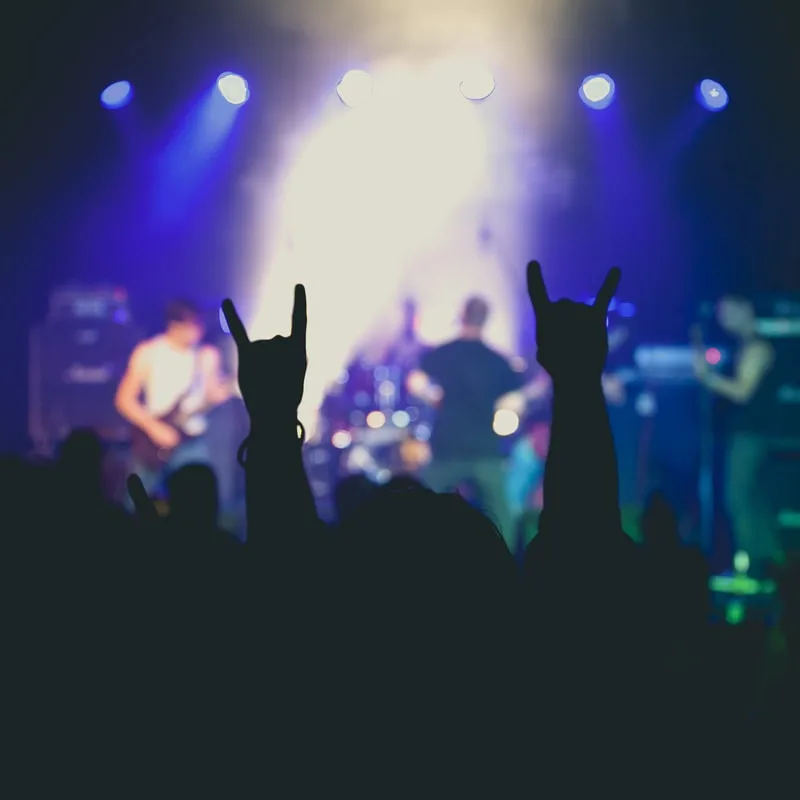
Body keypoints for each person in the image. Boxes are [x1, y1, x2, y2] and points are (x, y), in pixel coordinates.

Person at [406, 296, 545, 551]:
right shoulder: (497, 361)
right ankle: (507, 569)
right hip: (484, 448)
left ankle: (413, 561)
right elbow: (513, 402)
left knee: (421, 511)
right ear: (485, 319)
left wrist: (434, 398)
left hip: (447, 446)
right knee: (501, 516)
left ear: (462, 315)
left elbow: (415, 381)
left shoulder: (442, 353)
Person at [692, 294, 779, 572]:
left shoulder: (758, 347)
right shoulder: (742, 347)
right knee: (748, 499)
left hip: (750, 436)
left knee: (738, 499)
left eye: (728, 312)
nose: (723, 319)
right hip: (741, 435)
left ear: (746, 309)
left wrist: (708, 378)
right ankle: (763, 564)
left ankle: (751, 565)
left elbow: (742, 391)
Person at [115, 299, 234, 499]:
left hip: (191, 442)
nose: (197, 330)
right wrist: (154, 427)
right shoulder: (149, 352)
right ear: (174, 325)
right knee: (138, 502)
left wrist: (224, 392)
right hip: (152, 443)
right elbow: (124, 400)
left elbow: (213, 394)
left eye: (199, 324)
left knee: (197, 503)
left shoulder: (206, 355)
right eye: (191, 325)